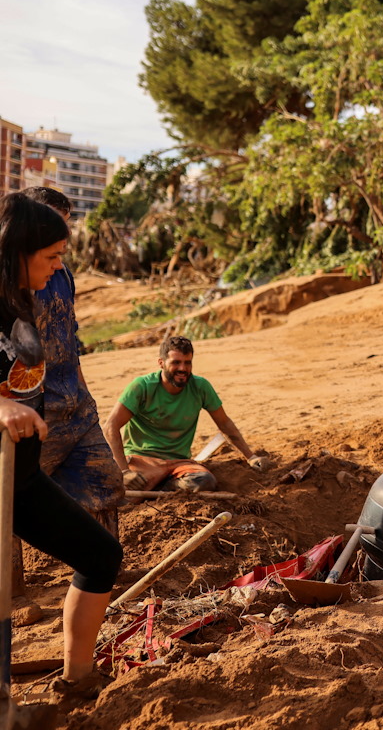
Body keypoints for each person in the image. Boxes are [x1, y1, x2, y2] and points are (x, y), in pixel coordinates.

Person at [0, 191, 123, 697]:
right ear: (18, 253)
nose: (58, 268)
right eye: (50, 257)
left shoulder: (25, 302)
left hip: (19, 479)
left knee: (100, 556)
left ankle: (77, 681)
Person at [25, 188, 124, 534]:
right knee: (11, 503)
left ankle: (101, 572)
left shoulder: (63, 274)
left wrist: (82, 391)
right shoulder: (13, 282)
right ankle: (14, 588)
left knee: (106, 484)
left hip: (75, 407)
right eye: (55, 226)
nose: (64, 239)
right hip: (31, 413)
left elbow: (70, 335)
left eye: (65, 226)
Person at [103, 336, 268, 493]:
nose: (183, 368)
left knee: (205, 481)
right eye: (176, 362)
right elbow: (111, 426)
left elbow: (224, 424)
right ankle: (159, 486)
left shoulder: (200, 387)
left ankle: (162, 486)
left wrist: (251, 457)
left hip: (179, 463)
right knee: (123, 495)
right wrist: (123, 471)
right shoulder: (142, 387)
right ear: (161, 363)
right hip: (143, 460)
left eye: (187, 363)